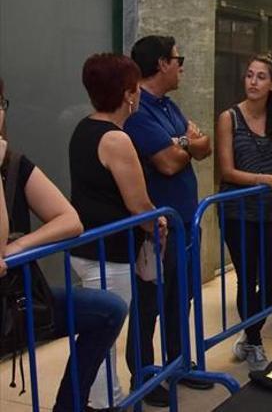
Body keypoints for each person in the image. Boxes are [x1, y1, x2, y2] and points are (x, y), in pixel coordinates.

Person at [0, 77, 127, 412]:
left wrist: (21, 246)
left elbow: (70, 220)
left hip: (15, 300)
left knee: (107, 310)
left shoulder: (13, 165)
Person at [69, 54, 168, 410]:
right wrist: (158, 220)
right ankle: (106, 403)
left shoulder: (83, 128)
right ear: (129, 94)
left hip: (86, 248)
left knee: (97, 334)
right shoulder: (116, 140)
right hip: (109, 253)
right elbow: (138, 205)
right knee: (103, 337)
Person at [126, 35, 214, 403]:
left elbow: (203, 146)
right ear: (162, 63)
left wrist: (183, 144)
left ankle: (179, 364)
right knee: (149, 305)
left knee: (182, 297)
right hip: (155, 230)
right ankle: (143, 377)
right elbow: (166, 162)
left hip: (183, 224)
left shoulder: (169, 107)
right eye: (179, 59)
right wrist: (186, 144)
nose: (181, 66)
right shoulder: (138, 111)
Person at [216, 53, 272, 371]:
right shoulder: (230, 118)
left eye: (261, 76)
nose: (253, 81)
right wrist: (267, 179)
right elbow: (227, 171)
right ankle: (254, 339)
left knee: (270, 281)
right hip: (238, 211)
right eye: (249, 75)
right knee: (247, 278)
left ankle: (249, 336)